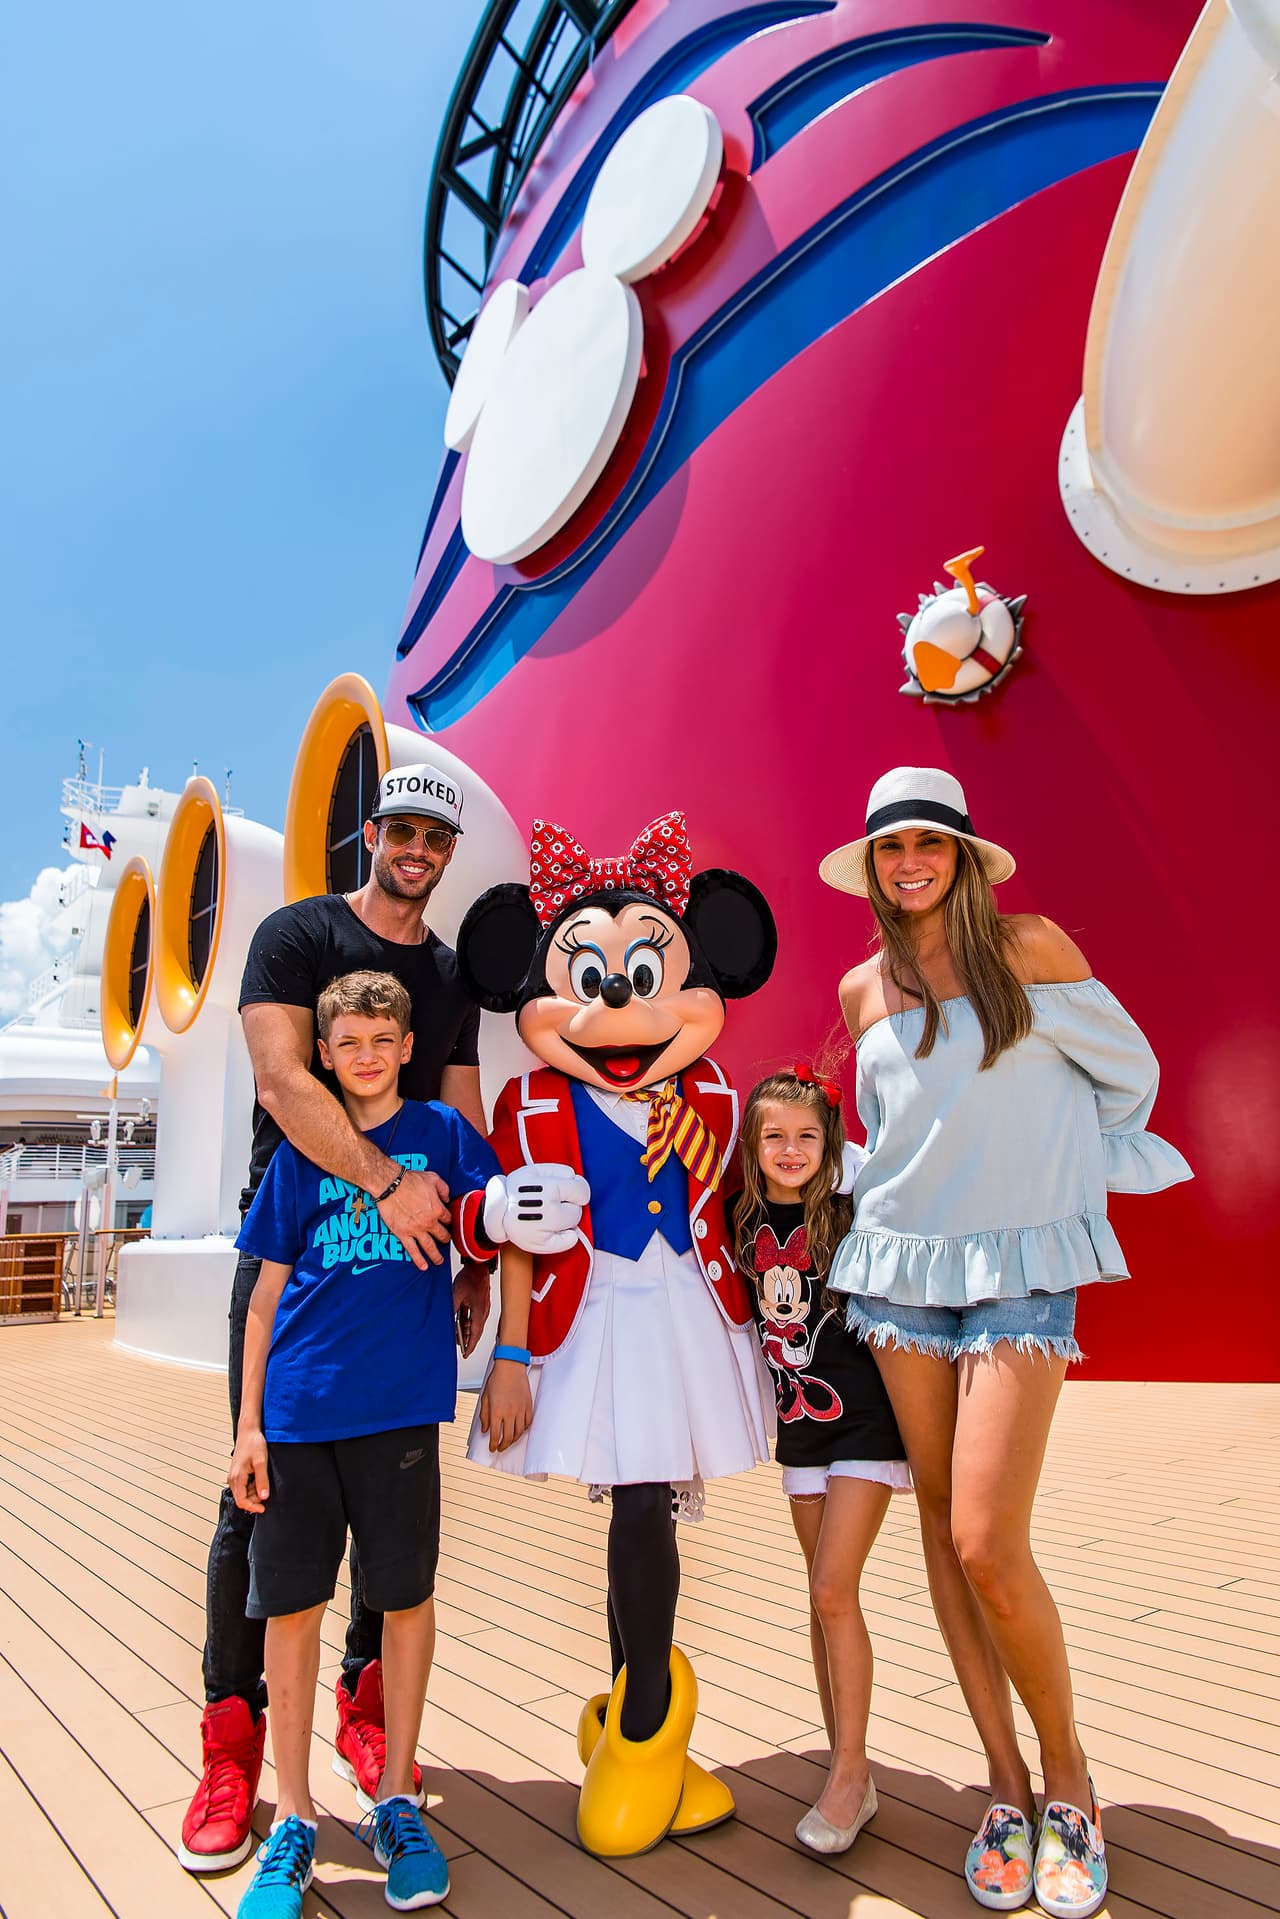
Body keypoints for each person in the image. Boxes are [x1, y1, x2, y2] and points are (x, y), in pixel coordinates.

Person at [181, 761, 585, 1872]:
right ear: (372, 831)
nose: (417, 847)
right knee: (253, 1505)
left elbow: (457, 1110)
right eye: (401, 827)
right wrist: (380, 1181)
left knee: (389, 1524)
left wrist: (465, 1249)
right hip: (299, 1250)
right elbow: (281, 1080)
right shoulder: (295, 935)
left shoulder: (448, 975)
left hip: (409, 1267)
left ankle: (366, 1717)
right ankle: (233, 1741)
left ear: (446, 851)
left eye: (435, 835)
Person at [819, 766, 1191, 1918]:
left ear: (964, 855)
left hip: (1020, 1268)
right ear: (872, 866)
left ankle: (1069, 1776)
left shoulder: (1028, 948)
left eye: (927, 841)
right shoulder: (859, 986)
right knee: (937, 1520)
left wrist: (1063, 1173)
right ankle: (1003, 1780)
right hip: (902, 1275)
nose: (907, 862)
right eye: (890, 848)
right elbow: (887, 1128)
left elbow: (1127, 1074)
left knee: (985, 1535)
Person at [453, 811, 777, 1856]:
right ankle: (641, 1725)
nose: (619, 1006)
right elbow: (517, 1229)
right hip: (582, 1321)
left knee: (641, 1506)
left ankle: (640, 1725)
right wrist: (506, 1356)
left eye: (644, 974)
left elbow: (749, 1190)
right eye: (588, 981)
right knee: (634, 1506)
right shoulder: (529, 1100)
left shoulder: (717, 1094)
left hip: (682, 1313)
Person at [227, 970, 500, 1914]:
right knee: (294, 1608)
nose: (369, 1055)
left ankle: (394, 1797)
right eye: (349, 1043)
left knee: (404, 1598)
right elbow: (264, 1299)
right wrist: (248, 1426)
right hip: (300, 1414)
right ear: (327, 1056)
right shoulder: (303, 1152)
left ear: (406, 1043)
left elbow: (497, 1223)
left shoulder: (444, 1135)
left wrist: (485, 1294)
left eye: (384, 1039)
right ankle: (295, 1816)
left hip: (399, 1416)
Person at [732, 1067, 910, 1857]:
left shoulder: (849, 1213)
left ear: (830, 1142)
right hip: (799, 1430)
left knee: (834, 1585)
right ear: (753, 1144)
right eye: (775, 1135)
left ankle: (848, 1771)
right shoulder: (738, 1223)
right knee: (822, 1598)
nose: (791, 1148)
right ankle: (851, 1766)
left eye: (808, 1135)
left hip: (867, 1420)